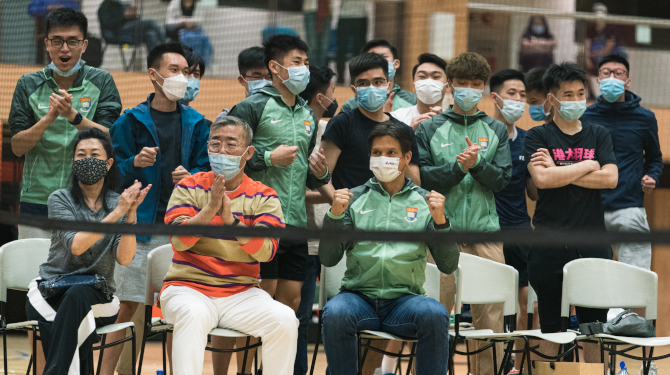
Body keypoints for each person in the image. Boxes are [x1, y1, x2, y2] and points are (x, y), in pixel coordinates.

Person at [102, 42, 210, 375]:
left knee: (176, 314)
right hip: (139, 230)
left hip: (180, 233)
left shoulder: (198, 123)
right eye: (174, 70)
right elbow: (111, 175)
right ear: (154, 74)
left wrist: (190, 177)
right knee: (128, 307)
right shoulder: (129, 122)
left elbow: (206, 175)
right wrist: (132, 162)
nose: (183, 77)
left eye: (186, 71)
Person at [160, 115, 298, 375]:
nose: (222, 150)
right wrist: (210, 209)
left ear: (248, 153)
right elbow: (178, 240)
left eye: (231, 144)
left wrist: (231, 223)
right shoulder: (188, 186)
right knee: (193, 313)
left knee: (285, 319)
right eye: (215, 144)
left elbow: (266, 252)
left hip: (242, 293)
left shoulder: (264, 196)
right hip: (187, 289)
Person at [319, 120, 459, 375]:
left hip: (405, 302)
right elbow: (328, 259)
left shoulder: (425, 201)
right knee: (336, 312)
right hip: (358, 298)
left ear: (406, 157)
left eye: (391, 153)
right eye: (376, 153)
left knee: (435, 313)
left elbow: (448, 265)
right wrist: (335, 217)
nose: (382, 159)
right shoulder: (353, 199)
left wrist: (441, 223)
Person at [415, 51, 511, 375]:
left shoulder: (497, 129)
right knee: (433, 314)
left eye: (476, 84)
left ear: (483, 88)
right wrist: (459, 167)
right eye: (462, 83)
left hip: (486, 233)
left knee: (491, 317)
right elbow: (425, 178)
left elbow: (502, 180)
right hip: (441, 232)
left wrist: (478, 164)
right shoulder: (429, 129)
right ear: (450, 87)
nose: (469, 89)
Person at [26, 128, 149, 375]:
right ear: (73, 162)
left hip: (99, 295)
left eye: (94, 154)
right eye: (81, 155)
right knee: (77, 316)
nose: (87, 160)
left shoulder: (118, 202)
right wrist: (118, 213)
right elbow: (77, 245)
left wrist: (131, 214)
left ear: (108, 163)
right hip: (52, 291)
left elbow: (124, 258)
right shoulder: (60, 199)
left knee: (79, 296)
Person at [228, 34, 330, 314]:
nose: (304, 69)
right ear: (275, 67)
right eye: (296, 62)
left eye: (306, 63)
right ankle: (251, 360)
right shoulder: (252, 107)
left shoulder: (308, 115)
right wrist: (269, 158)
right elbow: (230, 159)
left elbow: (305, 174)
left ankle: (272, 361)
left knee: (291, 303)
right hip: (259, 220)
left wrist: (320, 174)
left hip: (295, 222)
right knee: (262, 300)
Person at [525, 62, 618, 362]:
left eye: (581, 93)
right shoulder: (537, 137)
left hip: (593, 244)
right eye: (568, 94)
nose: (577, 99)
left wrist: (561, 171)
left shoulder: (599, 133)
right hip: (549, 247)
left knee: (594, 331)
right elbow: (542, 180)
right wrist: (589, 165)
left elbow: (611, 178)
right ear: (552, 99)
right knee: (552, 332)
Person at [10, 7, 122, 239]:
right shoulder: (27, 84)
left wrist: (75, 117)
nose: (64, 49)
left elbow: (110, 137)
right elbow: (17, 147)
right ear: (47, 44)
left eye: (72, 41)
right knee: (32, 272)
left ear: (84, 45)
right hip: (37, 200)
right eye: (57, 41)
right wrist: (49, 117)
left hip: (86, 198)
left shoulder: (102, 81)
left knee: (80, 272)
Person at [580, 55, 662, 275]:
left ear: (627, 80)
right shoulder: (585, 117)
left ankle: (628, 312)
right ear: (598, 79)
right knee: (590, 275)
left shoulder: (645, 118)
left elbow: (654, 158)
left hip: (630, 207)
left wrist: (652, 175)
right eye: (606, 73)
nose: (612, 77)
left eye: (619, 73)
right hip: (591, 209)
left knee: (636, 276)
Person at [488, 69, 538, 374]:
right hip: (487, 232)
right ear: (495, 97)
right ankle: (487, 366)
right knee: (489, 308)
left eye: (523, 95)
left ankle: (517, 367)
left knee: (527, 306)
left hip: (521, 229)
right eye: (512, 93)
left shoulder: (529, 139)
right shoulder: (482, 134)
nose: (518, 100)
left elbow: (533, 190)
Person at [321, 52, 422, 199]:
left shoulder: (404, 131)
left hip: (391, 216)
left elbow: (416, 184)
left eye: (378, 82)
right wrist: (342, 209)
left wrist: (399, 160)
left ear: (388, 87)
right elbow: (322, 177)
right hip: (351, 215)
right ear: (354, 90)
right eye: (363, 83)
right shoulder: (341, 124)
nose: (372, 88)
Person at [293, 65, 337, 375]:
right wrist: (333, 195)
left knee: (334, 315)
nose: (336, 97)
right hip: (304, 240)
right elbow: (294, 191)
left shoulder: (328, 131)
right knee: (299, 318)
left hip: (331, 238)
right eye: (334, 91)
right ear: (321, 96)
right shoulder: (298, 130)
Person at [340, 39, 417, 113]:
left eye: (384, 57)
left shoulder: (412, 100)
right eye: (373, 58)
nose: (379, 62)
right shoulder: (351, 105)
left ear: (396, 64)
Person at [391, 53, 448, 131]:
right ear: (414, 86)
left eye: (436, 77)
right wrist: (410, 131)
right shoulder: (397, 117)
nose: (428, 82)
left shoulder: (452, 122)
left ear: (447, 85)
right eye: (422, 76)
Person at [98, 0, 165, 53]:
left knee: (150, 34)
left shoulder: (121, 5)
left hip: (130, 31)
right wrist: (124, 16)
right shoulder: (104, 7)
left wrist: (132, 15)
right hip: (118, 33)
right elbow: (109, 24)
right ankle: (166, 46)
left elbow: (135, 21)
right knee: (151, 23)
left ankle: (156, 64)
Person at [165, 0, 212, 66]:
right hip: (178, 30)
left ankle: (201, 64)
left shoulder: (198, 3)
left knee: (205, 39)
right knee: (187, 38)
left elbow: (201, 19)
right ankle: (188, 63)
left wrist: (191, 22)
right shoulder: (174, 3)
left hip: (195, 30)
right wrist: (182, 21)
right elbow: (168, 22)